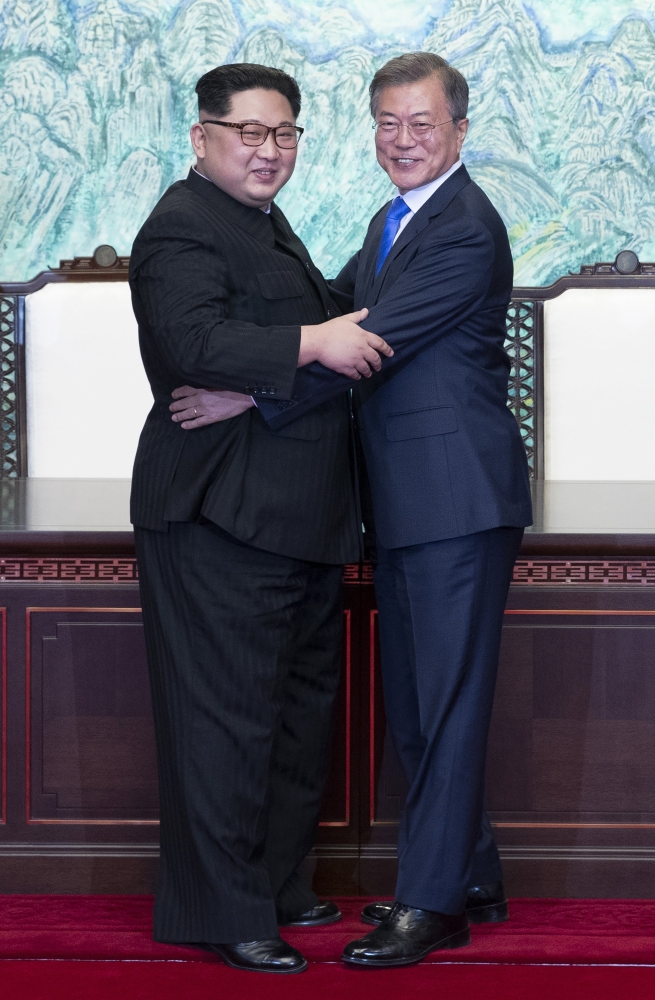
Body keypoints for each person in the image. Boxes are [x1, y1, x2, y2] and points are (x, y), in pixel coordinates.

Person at [181, 52, 533, 969]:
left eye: (421, 124)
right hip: (410, 501)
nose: (401, 140)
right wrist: (256, 342)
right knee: (420, 706)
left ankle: (432, 904)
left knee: (443, 703)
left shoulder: (461, 225)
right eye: (386, 122)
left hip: (455, 496)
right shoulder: (392, 217)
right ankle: (469, 875)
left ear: (459, 129)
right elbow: (331, 307)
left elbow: (368, 344)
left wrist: (244, 394)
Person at [128, 62, 392, 975]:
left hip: (298, 517)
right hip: (218, 517)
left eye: (283, 134)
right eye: (248, 132)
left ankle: (278, 883)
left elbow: (298, 351)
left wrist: (263, 385)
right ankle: (223, 910)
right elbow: (193, 344)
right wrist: (315, 342)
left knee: (292, 714)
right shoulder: (180, 226)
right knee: (225, 721)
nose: (267, 150)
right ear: (202, 139)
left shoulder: (262, 225)